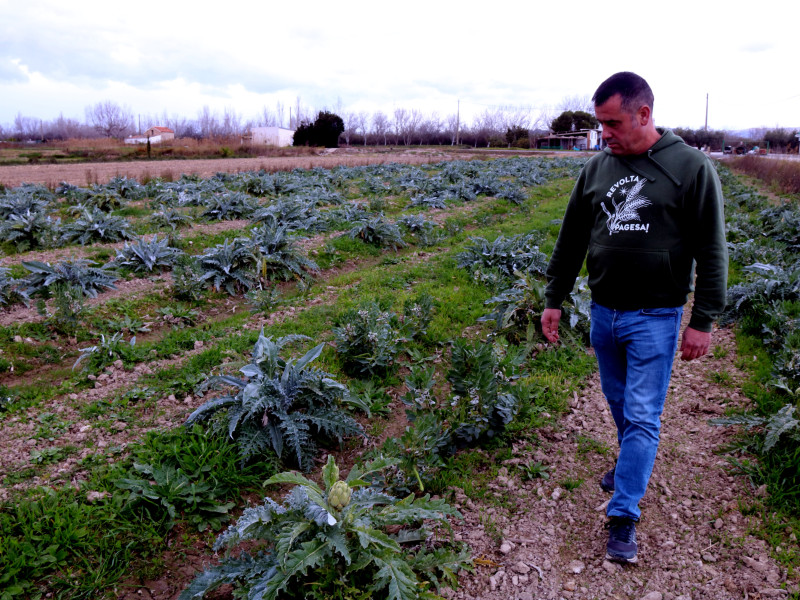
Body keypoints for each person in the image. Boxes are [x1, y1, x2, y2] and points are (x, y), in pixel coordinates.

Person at [541, 72, 728, 564]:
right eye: (600, 123)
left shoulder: (690, 168)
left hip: (656, 316)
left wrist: (702, 319)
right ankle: (631, 466)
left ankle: (624, 514)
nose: (604, 133)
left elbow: (712, 250)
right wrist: (554, 297)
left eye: (613, 123)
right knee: (618, 399)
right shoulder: (597, 168)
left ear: (644, 115)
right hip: (604, 313)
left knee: (643, 415)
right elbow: (571, 239)